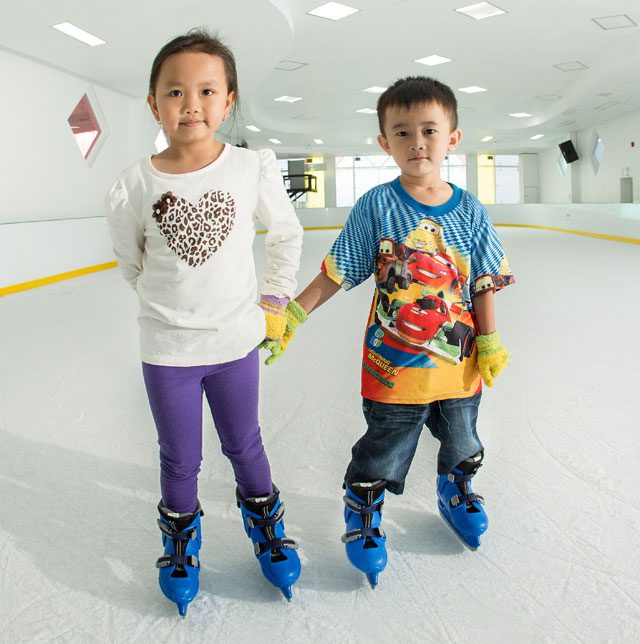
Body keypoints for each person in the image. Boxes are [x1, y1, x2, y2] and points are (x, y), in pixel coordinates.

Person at [270, 76, 514, 586]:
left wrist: (488, 339)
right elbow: (340, 268)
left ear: (453, 138)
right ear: (385, 143)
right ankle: (363, 506)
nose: (417, 142)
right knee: (386, 442)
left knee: (463, 437)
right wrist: (294, 312)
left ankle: (457, 485)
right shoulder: (377, 206)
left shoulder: (469, 209)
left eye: (429, 130)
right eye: (402, 133)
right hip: (395, 361)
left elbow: (485, 279)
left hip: (458, 359)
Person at [105, 29, 303, 615]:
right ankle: (181, 544)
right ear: (153, 104)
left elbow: (286, 235)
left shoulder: (249, 168)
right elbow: (132, 261)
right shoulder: (135, 184)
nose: (191, 104)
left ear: (228, 100)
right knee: (179, 457)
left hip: (236, 343)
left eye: (206, 91)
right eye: (175, 92)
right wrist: (174, 307)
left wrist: (272, 300)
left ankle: (266, 526)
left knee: (245, 444)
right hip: (167, 350)